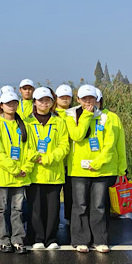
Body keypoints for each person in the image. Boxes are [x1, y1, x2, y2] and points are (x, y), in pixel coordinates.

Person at [65, 85, 118, 253]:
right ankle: (80, 240)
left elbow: (110, 144)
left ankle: (99, 240)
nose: (88, 101)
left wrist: (97, 162)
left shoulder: (105, 117)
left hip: (100, 169)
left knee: (99, 206)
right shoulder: (70, 116)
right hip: (79, 170)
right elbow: (77, 135)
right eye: (84, 98)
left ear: (97, 99)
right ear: (78, 100)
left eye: (91, 98)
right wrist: (87, 115)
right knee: (80, 206)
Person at [0, 91, 34, 254]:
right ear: (2, 105)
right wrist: (14, 169)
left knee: (18, 209)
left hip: (20, 176)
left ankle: (18, 239)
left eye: (14, 103)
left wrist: (26, 168)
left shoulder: (24, 125)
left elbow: (31, 149)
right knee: (2, 209)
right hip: (3, 175)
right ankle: (3, 239)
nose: (11, 106)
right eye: (8, 103)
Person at [25, 87, 69, 250]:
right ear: (34, 102)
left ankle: (51, 238)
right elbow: (23, 145)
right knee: (35, 207)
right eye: (41, 100)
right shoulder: (27, 122)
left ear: (52, 102)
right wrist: (36, 157)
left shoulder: (59, 122)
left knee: (53, 209)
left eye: (47, 100)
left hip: (54, 173)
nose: (44, 103)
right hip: (34, 173)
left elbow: (64, 146)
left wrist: (48, 158)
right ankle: (37, 237)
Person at [55, 84, 74, 225]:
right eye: (62, 97)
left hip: (71, 161)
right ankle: (53, 220)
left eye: (67, 97)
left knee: (70, 193)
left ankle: (69, 218)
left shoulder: (75, 114)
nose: (65, 99)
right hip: (56, 161)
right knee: (54, 195)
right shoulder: (51, 114)